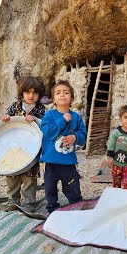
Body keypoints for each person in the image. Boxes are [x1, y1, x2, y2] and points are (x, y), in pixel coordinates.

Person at [39, 80, 88, 214]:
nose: (62, 95)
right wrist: (63, 120)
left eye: (66, 93)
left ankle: (76, 204)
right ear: (53, 99)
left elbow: (83, 135)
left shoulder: (76, 117)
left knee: (72, 185)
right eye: (58, 93)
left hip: (68, 161)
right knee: (50, 187)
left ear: (71, 98)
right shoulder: (49, 115)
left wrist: (75, 137)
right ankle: (52, 208)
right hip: (51, 161)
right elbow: (48, 132)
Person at [0, 76, 47, 209]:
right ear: (22, 93)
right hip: (14, 146)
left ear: (39, 94)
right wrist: (6, 118)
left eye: (35, 93)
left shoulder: (41, 109)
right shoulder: (15, 107)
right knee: (11, 174)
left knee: (29, 177)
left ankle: (29, 203)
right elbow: (5, 122)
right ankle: (13, 200)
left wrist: (35, 119)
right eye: (27, 92)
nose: (31, 95)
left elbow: (45, 125)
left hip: (32, 148)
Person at [106, 105, 127, 190]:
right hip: (116, 163)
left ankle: (126, 198)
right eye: (126, 117)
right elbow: (111, 145)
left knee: (126, 184)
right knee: (116, 182)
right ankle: (117, 196)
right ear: (120, 119)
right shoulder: (116, 132)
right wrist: (109, 158)